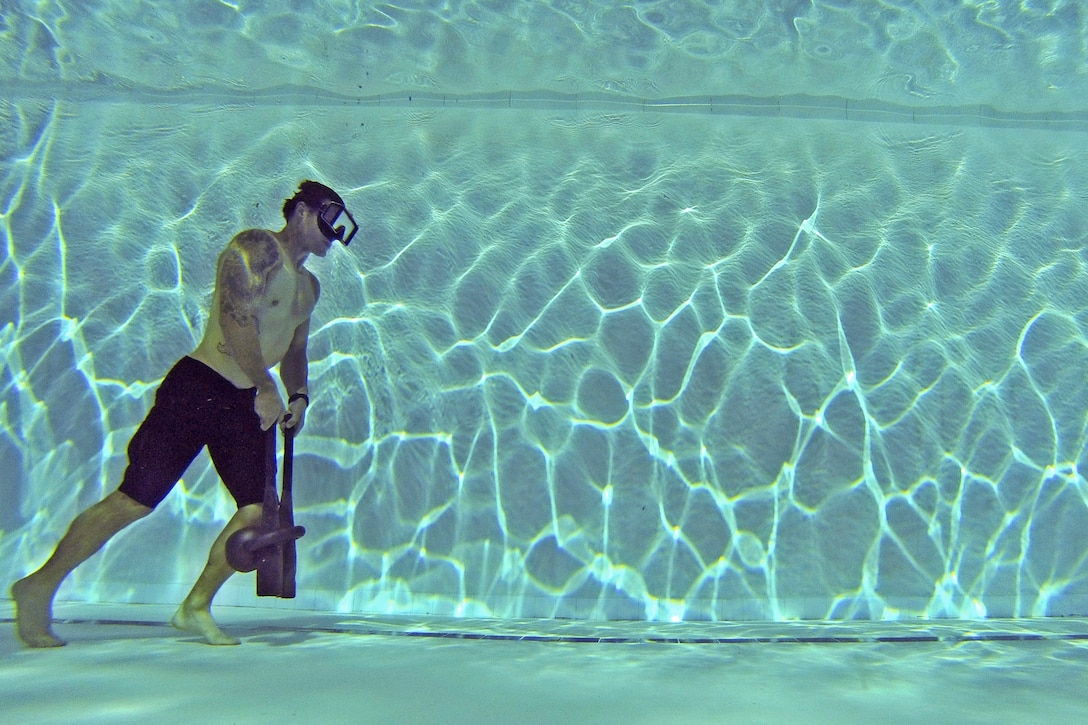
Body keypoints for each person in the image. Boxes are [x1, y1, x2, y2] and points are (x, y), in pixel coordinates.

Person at [11, 180, 357, 647]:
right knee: (134, 499)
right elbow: (237, 323)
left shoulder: (309, 289)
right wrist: (266, 386)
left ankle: (194, 608)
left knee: (255, 515)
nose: (334, 233)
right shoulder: (256, 248)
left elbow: (296, 348)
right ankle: (38, 585)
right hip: (200, 386)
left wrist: (298, 395)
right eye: (329, 218)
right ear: (300, 213)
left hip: (250, 403)